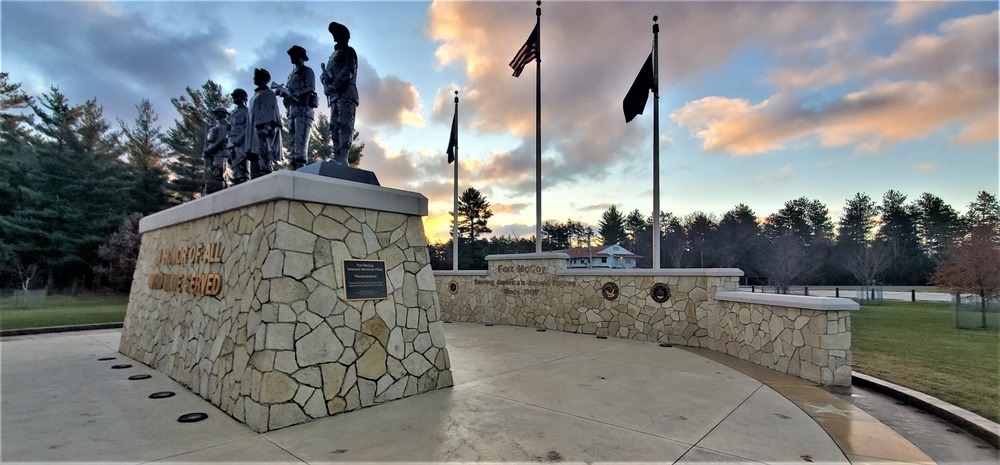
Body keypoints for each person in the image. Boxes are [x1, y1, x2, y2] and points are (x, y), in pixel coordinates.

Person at [321, 21, 359, 166]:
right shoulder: (332, 56)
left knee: (344, 124)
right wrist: (325, 79)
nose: (334, 36)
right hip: (335, 97)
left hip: (346, 95)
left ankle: (343, 156)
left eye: (337, 34)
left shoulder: (349, 52)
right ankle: (336, 155)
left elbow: (348, 71)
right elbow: (330, 74)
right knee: (334, 125)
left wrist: (334, 86)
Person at [274, 45, 316, 170]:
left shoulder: (307, 71)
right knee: (292, 142)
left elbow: (310, 88)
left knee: (300, 142)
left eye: (294, 55)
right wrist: (284, 94)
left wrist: (296, 95)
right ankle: (294, 165)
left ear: (301, 57)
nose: (291, 57)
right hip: (292, 111)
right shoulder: (291, 75)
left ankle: (300, 166)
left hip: (303, 110)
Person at [246, 68, 282, 175]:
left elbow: (272, 111)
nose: (254, 78)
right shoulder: (255, 96)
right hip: (253, 133)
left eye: (256, 76)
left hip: (263, 131)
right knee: (255, 162)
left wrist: (267, 128)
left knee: (264, 159)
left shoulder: (268, 93)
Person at [202, 106, 230, 194]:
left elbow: (221, 140)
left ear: (222, 114)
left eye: (217, 113)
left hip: (221, 154)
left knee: (219, 176)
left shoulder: (223, 124)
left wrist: (209, 150)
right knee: (215, 176)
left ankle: (221, 195)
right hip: (217, 154)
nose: (215, 115)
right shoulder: (219, 125)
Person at [227, 88, 251, 184]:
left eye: (235, 97)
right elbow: (229, 129)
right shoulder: (233, 114)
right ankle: (237, 179)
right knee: (234, 165)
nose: (234, 99)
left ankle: (243, 180)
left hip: (242, 142)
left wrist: (239, 139)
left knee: (242, 165)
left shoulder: (247, 112)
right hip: (232, 143)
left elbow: (248, 128)